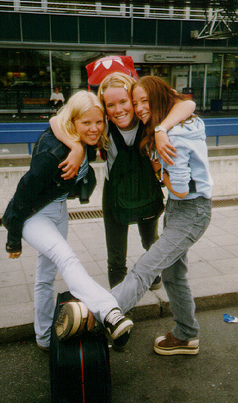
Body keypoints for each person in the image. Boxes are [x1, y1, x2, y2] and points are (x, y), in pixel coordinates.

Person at [2, 90, 133, 350]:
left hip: (58, 211)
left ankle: (42, 338)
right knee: (67, 258)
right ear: (73, 122)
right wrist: (13, 239)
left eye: (99, 122)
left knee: (45, 276)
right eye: (86, 123)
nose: (95, 129)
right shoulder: (53, 153)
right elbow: (22, 194)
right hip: (34, 215)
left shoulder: (80, 140)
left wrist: (78, 146)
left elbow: (56, 120)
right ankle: (109, 312)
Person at [50, 72, 196, 291]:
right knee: (116, 255)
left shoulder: (148, 119)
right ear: (104, 108)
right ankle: (119, 304)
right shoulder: (104, 126)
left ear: (133, 100)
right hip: (115, 195)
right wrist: (77, 147)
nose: (118, 110)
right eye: (110, 105)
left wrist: (161, 129)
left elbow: (188, 105)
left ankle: (153, 275)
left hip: (146, 189)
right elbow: (55, 120)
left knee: (151, 242)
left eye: (123, 102)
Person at [108, 76, 213, 355]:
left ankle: (101, 311)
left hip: (190, 210)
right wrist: (160, 129)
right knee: (173, 275)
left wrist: (157, 168)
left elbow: (178, 190)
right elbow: (185, 103)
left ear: (159, 100)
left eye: (146, 101)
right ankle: (186, 334)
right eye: (136, 102)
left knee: (145, 268)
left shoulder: (173, 136)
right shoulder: (173, 124)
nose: (140, 108)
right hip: (183, 210)